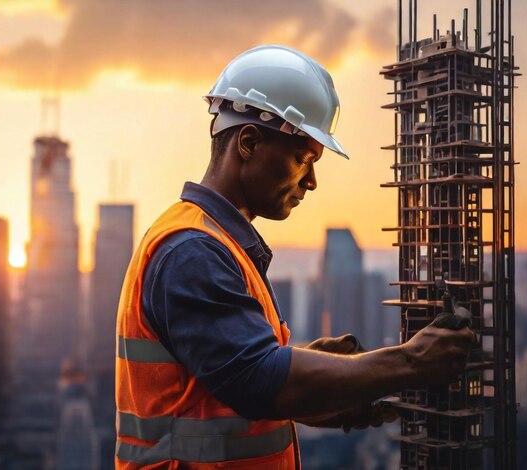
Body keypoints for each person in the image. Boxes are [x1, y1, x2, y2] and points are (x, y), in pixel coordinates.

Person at [115, 45, 476, 469]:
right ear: (248, 143)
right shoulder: (192, 251)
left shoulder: (218, 245)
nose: (312, 181)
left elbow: (223, 390)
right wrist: (411, 361)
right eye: (303, 158)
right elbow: (258, 381)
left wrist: (325, 389)